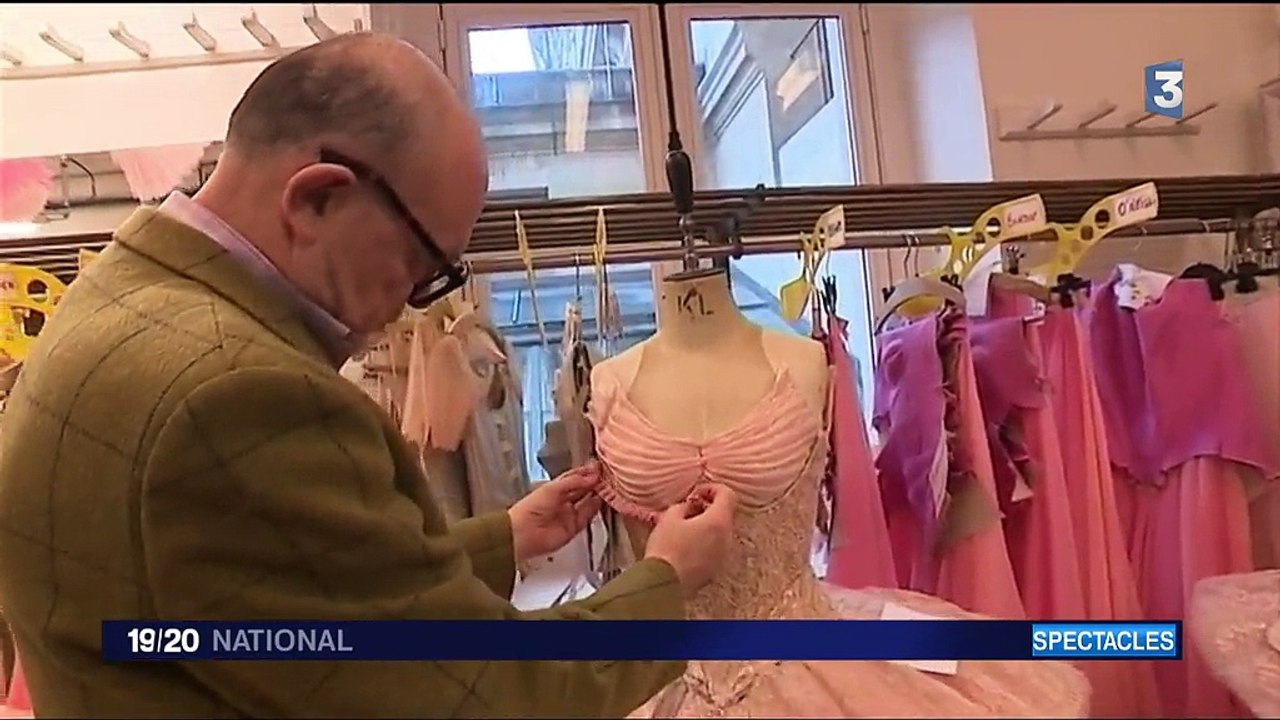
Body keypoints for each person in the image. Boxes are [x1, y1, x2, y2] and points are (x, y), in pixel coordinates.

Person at [0, 32, 737, 718]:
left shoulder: (107, 302)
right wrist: (663, 583)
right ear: (316, 196)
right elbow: (487, 696)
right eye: (418, 271)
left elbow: (270, 609)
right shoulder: (239, 396)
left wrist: (504, 539)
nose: (398, 314)